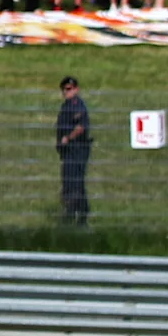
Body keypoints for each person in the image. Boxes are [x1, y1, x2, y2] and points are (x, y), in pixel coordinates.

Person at [56, 76, 93, 226]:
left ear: (76, 89)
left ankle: (81, 214)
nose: (66, 92)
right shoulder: (66, 106)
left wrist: (68, 138)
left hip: (78, 149)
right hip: (68, 151)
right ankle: (71, 212)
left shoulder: (78, 105)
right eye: (64, 89)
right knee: (68, 182)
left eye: (69, 89)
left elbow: (81, 126)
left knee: (76, 182)